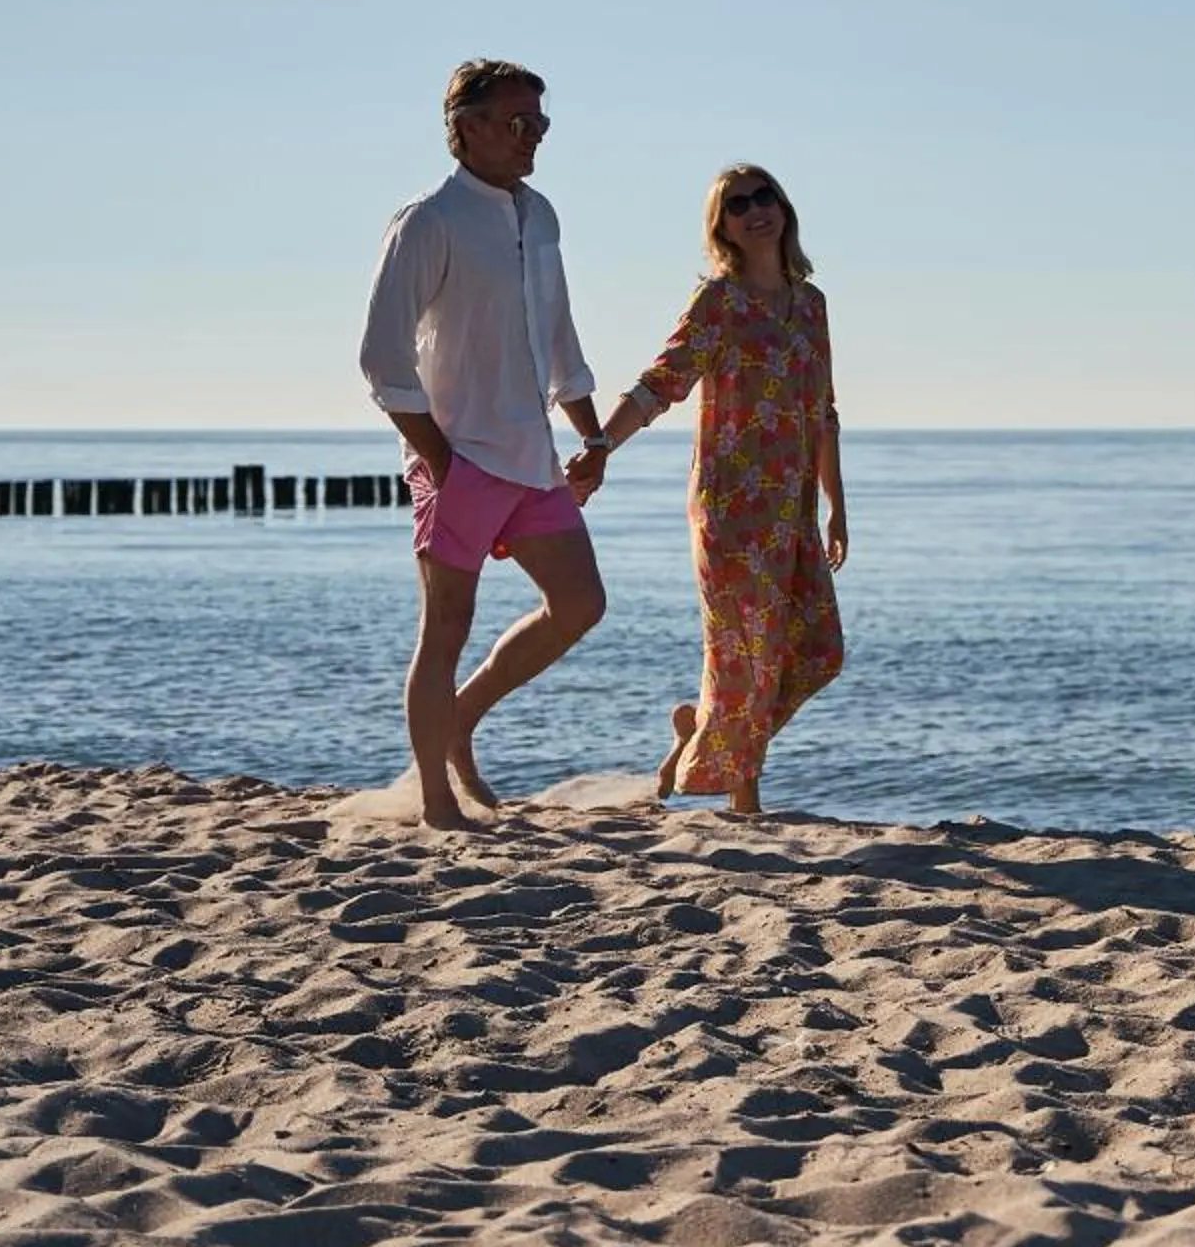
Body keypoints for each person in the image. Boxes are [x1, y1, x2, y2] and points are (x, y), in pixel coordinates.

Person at [358, 60, 610, 830]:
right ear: (466, 128)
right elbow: (381, 359)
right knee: (445, 629)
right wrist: (441, 462)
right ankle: (436, 803)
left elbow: (558, 334)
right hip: (459, 456)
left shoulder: (541, 216)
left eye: (540, 123)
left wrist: (591, 435)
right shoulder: (428, 221)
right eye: (516, 122)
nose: (533, 136)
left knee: (580, 605)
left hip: (532, 457)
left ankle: (461, 719)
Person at [581, 163, 846, 819]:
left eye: (764, 197)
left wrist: (836, 505)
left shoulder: (812, 306)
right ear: (722, 226)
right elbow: (661, 383)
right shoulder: (719, 303)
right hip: (730, 507)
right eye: (738, 205)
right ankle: (743, 797)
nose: (755, 211)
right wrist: (601, 445)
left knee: (819, 651)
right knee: (750, 652)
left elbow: (823, 412)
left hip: (792, 509)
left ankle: (701, 737)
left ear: (784, 207)